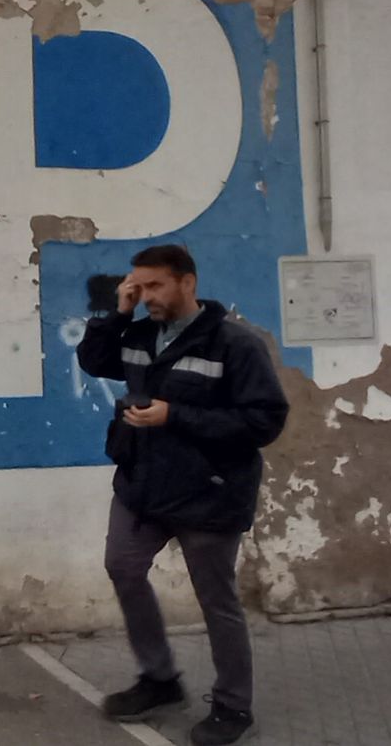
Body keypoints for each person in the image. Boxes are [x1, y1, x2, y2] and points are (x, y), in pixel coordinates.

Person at [76, 244, 289, 746]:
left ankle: (234, 707)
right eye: (138, 286)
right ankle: (160, 679)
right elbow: (94, 360)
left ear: (187, 284)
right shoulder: (138, 333)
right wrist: (118, 312)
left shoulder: (234, 344)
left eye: (154, 286)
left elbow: (265, 420)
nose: (144, 294)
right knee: (122, 567)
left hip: (208, 491)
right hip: (141, 485)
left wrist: (175, 415)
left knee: (217, 600)